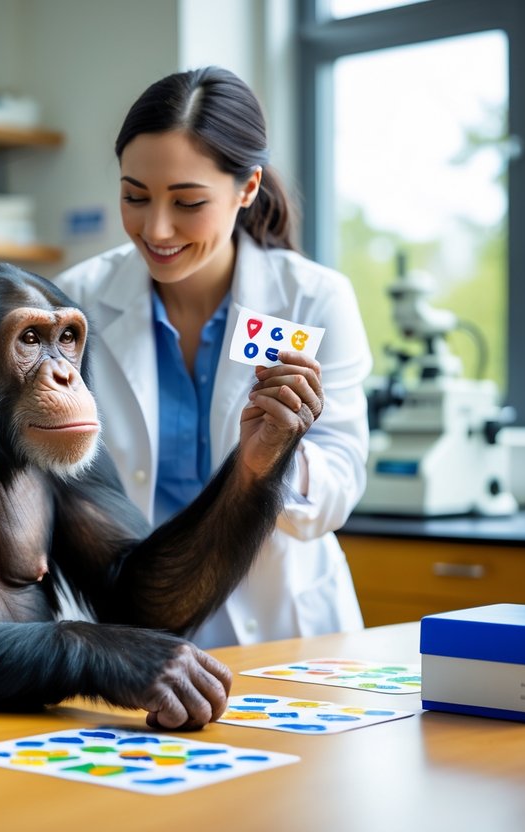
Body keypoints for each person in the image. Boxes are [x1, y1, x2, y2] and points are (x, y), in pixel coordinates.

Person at [53, 66, 372, 646]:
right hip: (129, 625)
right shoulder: (75, 300)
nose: (157, 228)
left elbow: (338, 487)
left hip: (285, 629)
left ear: (246, 189)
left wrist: (274, 459)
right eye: (134, 196)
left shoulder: (311, 299)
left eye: (188, 201)